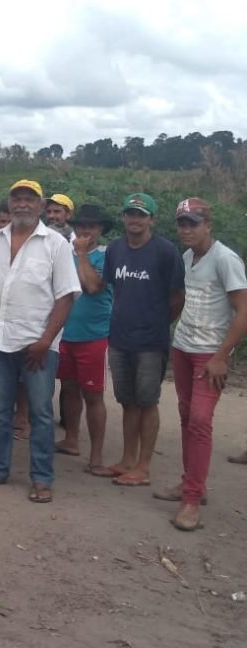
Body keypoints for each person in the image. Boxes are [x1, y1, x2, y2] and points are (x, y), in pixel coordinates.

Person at [0, 180, 81, 503]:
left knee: (41, 413)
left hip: (38, 345)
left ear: (41, 205)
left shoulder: (56, 245)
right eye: (16, 198)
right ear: (9, 202)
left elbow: (66, 297)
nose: (22, 204)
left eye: (29, 200)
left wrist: (46, 339)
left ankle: (42, 478)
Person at [153, 199, 247, 531]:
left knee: (200, 420)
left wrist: (221, 356)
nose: (187, 229)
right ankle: (193, 482)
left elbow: (243, 311)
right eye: (182, 223)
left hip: (210, 354)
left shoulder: (225, 259)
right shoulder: (187, 258)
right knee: (185, 416)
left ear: (208, 224)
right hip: (183, 347)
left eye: (194, 223)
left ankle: (191, 500)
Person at [102, 192, 185, 486]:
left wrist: (159, 324)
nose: (135, 220)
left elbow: (177, 298)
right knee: (127, 401)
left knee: (148, 402)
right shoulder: (115, 250)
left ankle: (144, 466)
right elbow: (111, 287)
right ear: (124, 217)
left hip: (151, 340)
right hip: (120, 337)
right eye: (130, 214)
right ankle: (127, 459)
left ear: (152, 219)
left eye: (141, 214)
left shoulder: (165, 252)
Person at [55, 205, 113, 474]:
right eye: (81, 226)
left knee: (93, 395)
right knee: (68, 389)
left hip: (94, 336)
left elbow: (91, 286)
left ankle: (97, 456)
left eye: (92, 226)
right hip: (65, 333)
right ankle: (71, 439)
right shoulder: (63, 253)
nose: (85, 230)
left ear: (101, 230)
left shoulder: (105, 255)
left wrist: (80, 254)